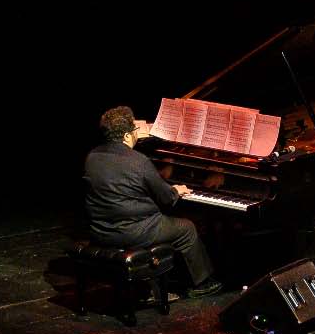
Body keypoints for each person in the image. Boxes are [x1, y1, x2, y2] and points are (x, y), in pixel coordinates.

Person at [83, 106, 221, 298]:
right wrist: (176, 190)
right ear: (126, 136)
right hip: (133, 232)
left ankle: (165, 274)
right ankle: (203, 283)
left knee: (167, 220)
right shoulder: (138, 161)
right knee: (186, 228)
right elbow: (165, 198)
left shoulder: (92, 157)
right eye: (134, 130)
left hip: (101, 230)